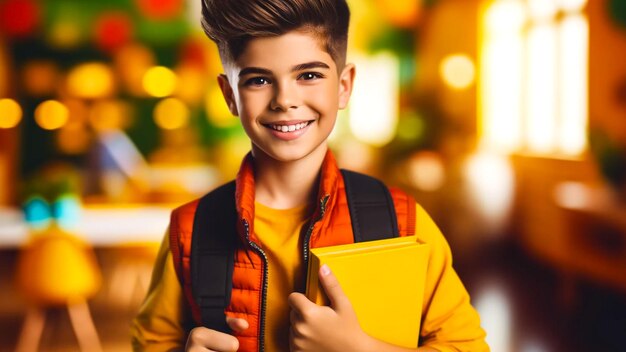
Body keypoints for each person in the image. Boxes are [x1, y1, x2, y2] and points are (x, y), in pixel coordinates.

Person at [131, 0, 488, 351]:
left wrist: (358, 348)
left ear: (344, 85)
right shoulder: (190, 230)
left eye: (309, 75)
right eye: (258, 80)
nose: (285, 100)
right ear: (230, 95)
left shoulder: (403, 221)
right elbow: (153, 342)